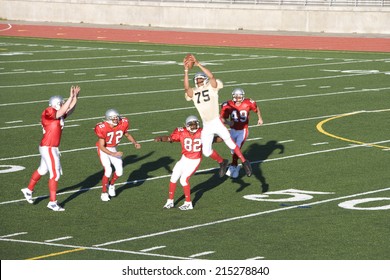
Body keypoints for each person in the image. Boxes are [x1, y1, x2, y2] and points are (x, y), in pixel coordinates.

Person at [183, 54, 252, 178]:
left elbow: (211, 77)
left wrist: (198, 63)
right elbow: (186, 88)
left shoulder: (211, 87)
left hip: (216, 121)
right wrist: (186, 70)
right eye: (197, 79)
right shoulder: (193, 92)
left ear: (204, 80)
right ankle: (222, 162)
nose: (198, 81)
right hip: (206, 124)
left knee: (230, 143)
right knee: (206, 151)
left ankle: (245, 162)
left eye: (200, 79)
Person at [21, 85, 81, 211]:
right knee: (55, 174)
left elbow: (69, 110)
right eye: (62, 102)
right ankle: (52, 202)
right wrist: (70, 97)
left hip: (48, 146)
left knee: (43, 170)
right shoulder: (49, 111)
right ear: (56, 103)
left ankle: (28, 189)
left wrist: (75, 97)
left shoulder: (57, 114)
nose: (64, 104)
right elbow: (61, 111)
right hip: (49, 147)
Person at [155, 115, 221, 210]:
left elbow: (215, 139)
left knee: (183, 180)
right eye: (191, 125)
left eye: (195, 124)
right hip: (184, 158)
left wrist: (226, 137)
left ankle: (188, 203)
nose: (193, 126)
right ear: (186, 125)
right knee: (173, 177)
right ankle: (170, 201)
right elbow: (170, 138)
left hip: (195, 160)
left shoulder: (203, 132)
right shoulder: (182, 132)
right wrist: (161, 138)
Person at [94, 109, 141, 202]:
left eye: (116, 117)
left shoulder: (122, 123)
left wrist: (135, 142)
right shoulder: (102, 127)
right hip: (103, 149)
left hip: (113, 148)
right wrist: (113, 153)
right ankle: (104, 193)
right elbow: (101, 146)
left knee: (119, 172)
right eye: (113, 118)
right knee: (108, 170)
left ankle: (111, 185)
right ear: (108, 119)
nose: (116, 120)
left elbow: (126, 134)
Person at [221, 88, 263, 178]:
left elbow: (256, 108)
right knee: (233, 150)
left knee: (237, 147)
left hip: (243, 130)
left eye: (239, 96)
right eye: (236, 96)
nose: (238, 98)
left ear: (243, 96)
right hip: (232, 130)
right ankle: (235, 165)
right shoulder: (227, 105)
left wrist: (260, 118)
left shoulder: (248, 103)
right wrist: (228, 122)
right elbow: (222, 118)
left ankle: (233, 166)